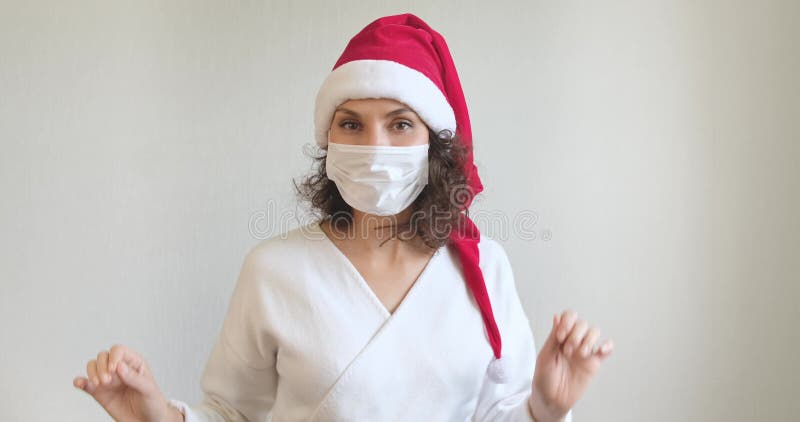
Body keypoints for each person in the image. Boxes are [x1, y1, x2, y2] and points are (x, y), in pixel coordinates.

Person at [73, 13, 614, 422]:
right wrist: (156, 416)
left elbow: (499, 414)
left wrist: (544, 406)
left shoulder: (486, 268)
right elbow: (232, 415)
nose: (374, 147)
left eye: (400, 124)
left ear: (434, 145)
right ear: (327, 141)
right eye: (351, 124)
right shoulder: (273, 269)